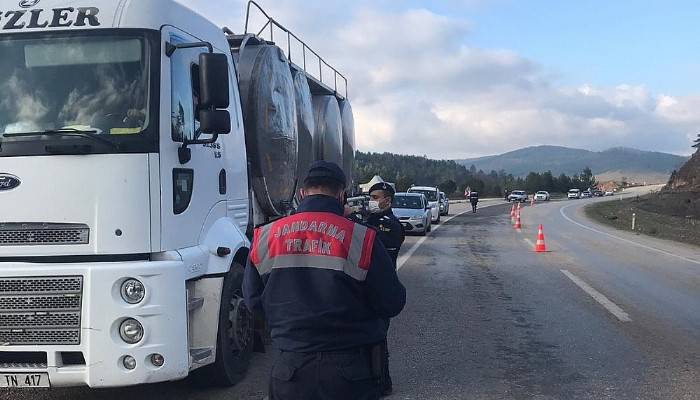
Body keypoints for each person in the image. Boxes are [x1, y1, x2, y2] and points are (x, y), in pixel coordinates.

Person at [244, 161, 406, 400]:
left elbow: (252, 302)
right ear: (341, 194)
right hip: (349, 372)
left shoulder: (265, 236)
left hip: (290, 370)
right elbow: (392, 302)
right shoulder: (362, 237)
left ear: (301, 193)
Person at [364, 181, 405, 395]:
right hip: (366, 284)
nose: (371, 202)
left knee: (378, 336)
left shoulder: (390, 224)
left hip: (381, 285)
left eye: (375, 198)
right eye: (370, 197)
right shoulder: (372, 218)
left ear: (387, 200)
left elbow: (376, 243)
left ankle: (382, 383)